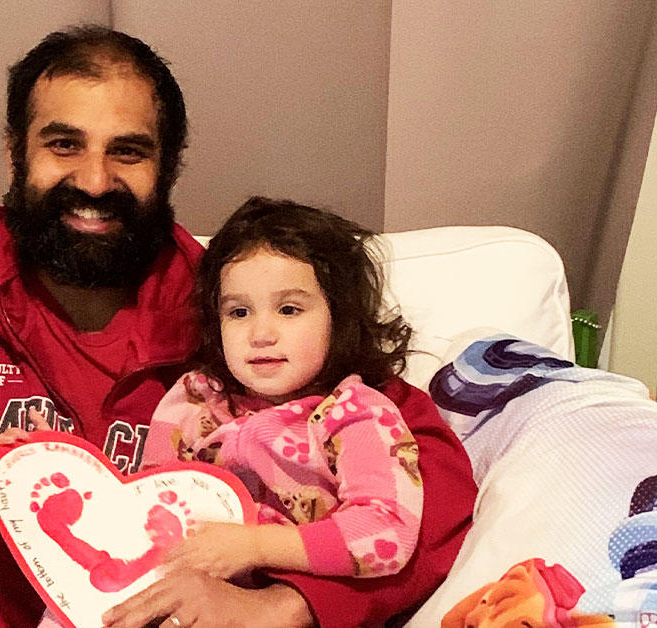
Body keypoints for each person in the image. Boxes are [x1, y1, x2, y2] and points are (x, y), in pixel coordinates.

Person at [0, 25, 478, 628]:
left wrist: (282, 607)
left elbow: (429, 482)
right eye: (64, 145)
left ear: (170, 166)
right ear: (15, 153)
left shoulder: (240, 315)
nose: (95, 181)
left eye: (128, 151)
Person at [110, 198, 428, 624]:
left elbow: (386, 532)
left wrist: (255, 546)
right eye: (239, 312)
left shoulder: (357, 414)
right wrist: (45, 453)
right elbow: (144, 497)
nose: (260, 334)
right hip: (173, 597)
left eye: (289, 309)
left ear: (340, 319)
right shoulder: (194, 397)